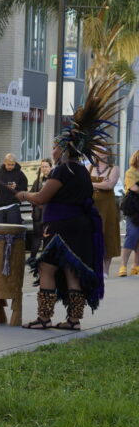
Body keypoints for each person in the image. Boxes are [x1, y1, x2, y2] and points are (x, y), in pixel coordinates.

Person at [16, 78, 116, 330]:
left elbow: (40, 198)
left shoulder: (61, 171)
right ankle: (73, 320)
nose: (52, 150)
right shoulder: (82, 171)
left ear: (64, 149)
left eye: (55, 147)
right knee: (72, 272)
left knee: (47, 268)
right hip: (78, 227)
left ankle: (44, 318)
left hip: (60, 228)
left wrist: (23, 195)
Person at [89, 148, 120, 277]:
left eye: (102, 151)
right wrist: (99, 183)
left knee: (108, 234)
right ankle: (94, 267)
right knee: (92, 234)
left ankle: (105, 270)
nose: (99, 153)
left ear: (108, 154)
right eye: (97, 151)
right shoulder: (89, 167)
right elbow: (83, 183)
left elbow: (109, 185)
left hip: (107, 207)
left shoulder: (114, 169)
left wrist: (92, 184)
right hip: (92, 206)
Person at [0, 153, 28, 224]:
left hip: (13, 205)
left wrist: (16, 187)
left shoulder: (20, 174)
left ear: (15, 163)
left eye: (12, 165)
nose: (10, 166)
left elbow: (25, 189)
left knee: (13, 231)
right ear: (4, 162)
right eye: (8, 164)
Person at [28, 158, 53, 262]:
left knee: (48, 236)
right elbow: (30, 195)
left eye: (46, 166)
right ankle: (32, 257)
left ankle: (46, 257)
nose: (44, 168)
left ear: (51, 167)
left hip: (49, 213)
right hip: (38, 213)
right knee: (37, 236)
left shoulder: (53, 181)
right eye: (42, 166)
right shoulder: (37, 181)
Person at [120, 150, 139, 277]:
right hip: (134, 207)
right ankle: (123, 265)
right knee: (132, 235)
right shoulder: (130, 171)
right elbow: (134, 188)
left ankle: (136, 265)